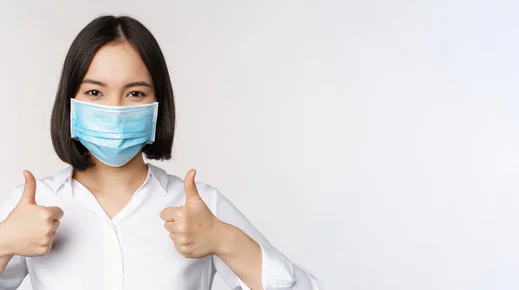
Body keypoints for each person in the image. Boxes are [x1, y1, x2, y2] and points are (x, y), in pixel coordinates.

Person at [0, 15, 319, 290]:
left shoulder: (200, 209)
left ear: (157, 105)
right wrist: (3, 244)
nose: (115, 108)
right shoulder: (31, 206)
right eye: (95, 92)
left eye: (135, 93)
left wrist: (224, 239)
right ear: (70, 102)